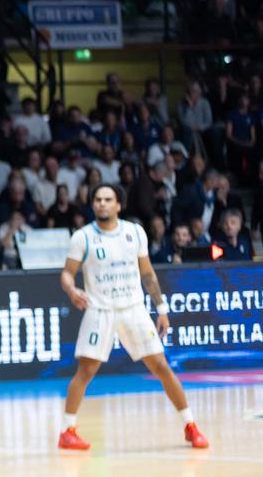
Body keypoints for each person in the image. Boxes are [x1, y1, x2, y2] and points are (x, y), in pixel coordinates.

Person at [57, 184, 208, 450]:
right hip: (100, 310)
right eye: (98, 199)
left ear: (119, 205)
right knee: (86, 370)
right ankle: (67, 431)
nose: (102, 203)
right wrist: (71, 289)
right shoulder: (82, 237)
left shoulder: (134, 232)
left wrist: (161, 308)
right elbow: (67, 273)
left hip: (133, 309)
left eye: (108, 199)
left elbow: (147, 273)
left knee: (161, 366)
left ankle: (190, 426)